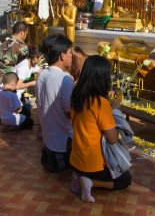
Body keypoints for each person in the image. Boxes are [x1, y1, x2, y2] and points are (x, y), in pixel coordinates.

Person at [70, 55, 132, 203]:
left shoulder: (76, 95)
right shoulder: (100, 102)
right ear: (102, 78)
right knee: (125, 179)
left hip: (76, 159)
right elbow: (112, 138)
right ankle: (90, 182)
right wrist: (116, 112)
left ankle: (78, 176)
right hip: (93, 164)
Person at [36, 34, 74, 172]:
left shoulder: (43, 74)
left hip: (49, 139)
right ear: (62, 55)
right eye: (70, 53)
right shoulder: (65, 79)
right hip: (63, 142)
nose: (72, 57)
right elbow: (70, 112)